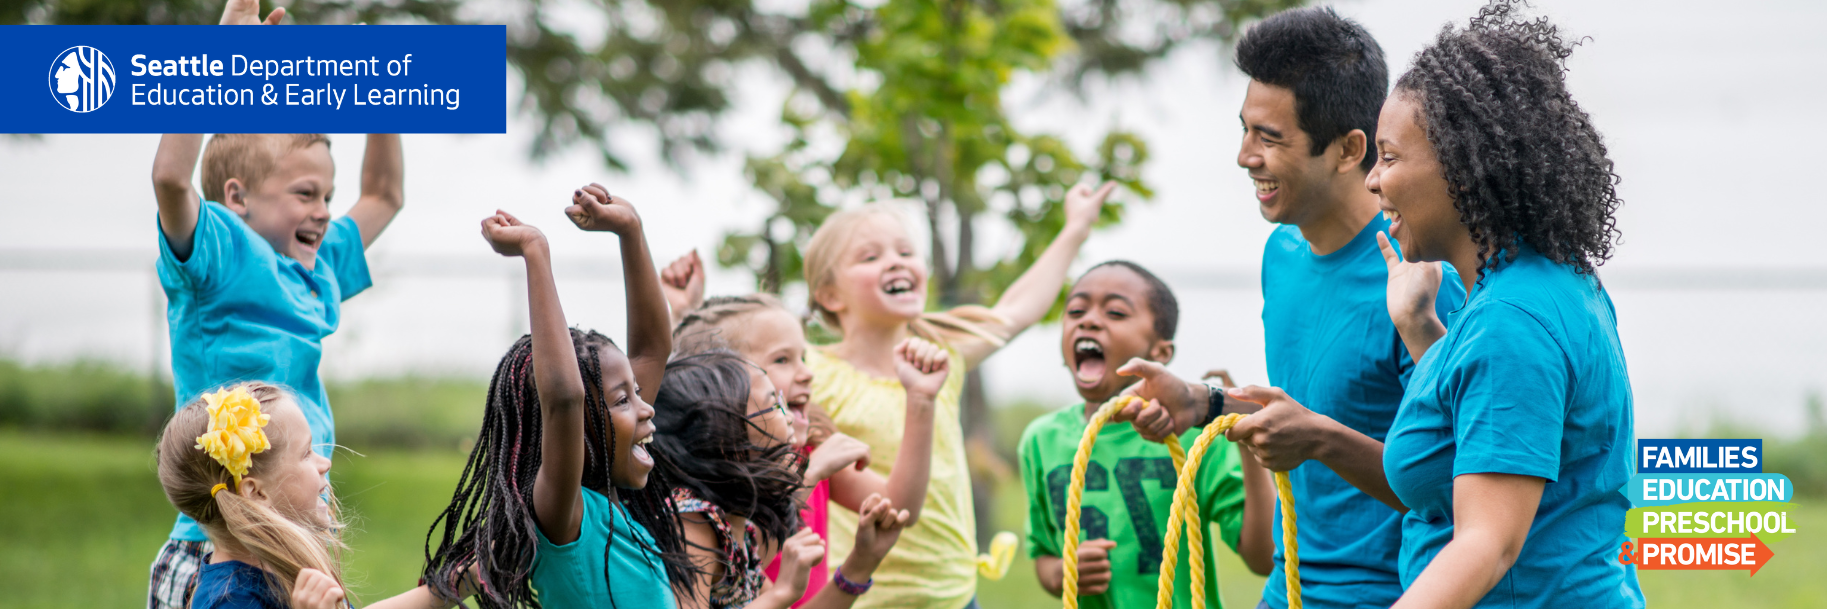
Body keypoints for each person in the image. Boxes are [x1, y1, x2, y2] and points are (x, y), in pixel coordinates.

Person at [1114, 9, 1468, 609]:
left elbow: (1452, 479)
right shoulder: (1280, 254)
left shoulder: (1423, 283)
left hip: (1390, 594)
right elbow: (1315, 412)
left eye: (1270, 138)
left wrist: (1321, 441)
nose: (1244, 156)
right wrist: (1204, 403)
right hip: (1288, 587)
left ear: (1349, 149)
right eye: (1246, 130)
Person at [1367, 2, 1641, 606]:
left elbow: (1487, 544)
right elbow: (1493, 418)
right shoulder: (1550, 282)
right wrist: (1421, 330)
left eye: (1388, 158)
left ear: (1463, 168)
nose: (1372, 181)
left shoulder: (1510, 321)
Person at [146, 3, 405, 603]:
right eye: (304, 193)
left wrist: (378, 88)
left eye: (328, 195)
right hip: (220, 546)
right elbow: (169, 179)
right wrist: (217, 63)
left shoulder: (313, 262)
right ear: (236, 198)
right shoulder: (218, 253)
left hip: (293, 533)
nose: (323, 210)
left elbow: (385, 195)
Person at [799, 182, 1111, 609]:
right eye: (871, 257)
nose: (896, 262)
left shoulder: (942, 350)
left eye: (906, 253)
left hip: (954, 595)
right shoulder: (810, 373)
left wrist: (1076, 226)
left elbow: (1018, 308)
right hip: (863, 597)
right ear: (830, 294)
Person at [420, 188, 692, 607]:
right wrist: (535, 251)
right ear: (580, 427)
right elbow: (564, 399)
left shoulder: (614, 510)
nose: (646, 406)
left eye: (636, 394)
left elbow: (655, 348)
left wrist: (630, 230)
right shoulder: (566, 516)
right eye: (623, 401)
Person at [1020, 261, 1275, 609]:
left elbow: (1263, 558)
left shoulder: (1195, 439)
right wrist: (1062, 573)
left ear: (1160, 353)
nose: (1089, 320)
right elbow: (1044, 556)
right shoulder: (1040, 440)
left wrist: (1243, 433)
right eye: (1076, 310)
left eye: (1115, 312)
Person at [663, 290, 930, 608]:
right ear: (721, 395)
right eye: (782, 360)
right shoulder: (698, 519)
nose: (807, 373)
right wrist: (809, 474)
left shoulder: (741, 531)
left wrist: (860, 564)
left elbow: (899, 507)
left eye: (803, 357)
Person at [156, 381, 475, 609]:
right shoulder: (231, 600)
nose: (325, 463)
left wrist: (464, 579)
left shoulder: (272, 568)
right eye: (307, 453)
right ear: (255, 492)